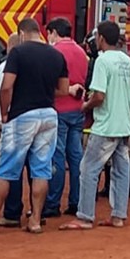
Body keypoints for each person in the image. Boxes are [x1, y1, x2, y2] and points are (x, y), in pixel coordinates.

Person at [0, 18, 69, 236]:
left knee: (5, 170)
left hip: (22, 116)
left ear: (21, 33)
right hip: (48, 115)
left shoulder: (18, 53)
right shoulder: (57, 55)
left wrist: (5, 113)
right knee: (41, 170)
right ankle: (35, 220)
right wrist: (41, 91)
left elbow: (6, 87)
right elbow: (64, 90)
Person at [61, 20, 130, 231]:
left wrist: (85, 106)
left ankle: (85, 216)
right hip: (124, 125)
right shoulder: (128, 61)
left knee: (88, 169)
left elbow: (99, 96)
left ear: (101, 38)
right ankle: (118, 215)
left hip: (106, 126)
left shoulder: (103, 61)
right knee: (121, 171)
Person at [43, 17, 88, 218]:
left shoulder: (54, 52)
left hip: (58, 110)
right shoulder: (81, 52)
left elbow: (49, 83)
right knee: (76, 157)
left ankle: (53, 203)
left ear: (53, 32)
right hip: (78, 110)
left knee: (57, 157)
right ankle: (76, 201)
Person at [0, 33, 28, 228]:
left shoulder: (5, 67)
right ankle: (38, 213)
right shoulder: (34, 65)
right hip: (35, 123)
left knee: (11, 169)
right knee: (36, 170)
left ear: (10, 47)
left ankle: (12, 213)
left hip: (13, 123)